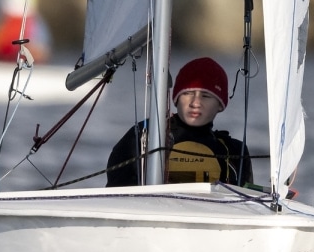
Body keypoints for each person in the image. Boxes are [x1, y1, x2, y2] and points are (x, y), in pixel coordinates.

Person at [106, 57, 252, 187]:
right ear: (176, 99)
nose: (195, 103)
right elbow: (115, 189)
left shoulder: (234, 151)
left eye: (206, 96)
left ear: (220, 105)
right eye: (187, 93)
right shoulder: (144, 135)